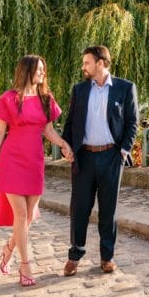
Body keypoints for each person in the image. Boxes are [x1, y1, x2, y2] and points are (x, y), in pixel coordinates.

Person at [0, 55, 72, 287]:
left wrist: (63, 144)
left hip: (35, 162)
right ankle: (25, 265)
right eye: (38, 69)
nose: (42, 73)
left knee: (30, 215)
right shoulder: (9, 98)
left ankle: (9, 248)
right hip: (12, 160)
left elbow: (49, 131)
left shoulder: (46, 99)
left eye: (44, 69)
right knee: (21, 215)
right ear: (27, 71)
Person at [60, 45, 138, 276]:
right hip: (83, 157)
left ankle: (107, 257)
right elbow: (71, 122)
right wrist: (66, 147)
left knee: (108, 210)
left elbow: (132, 122)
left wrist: (123, 151)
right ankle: (75, 255)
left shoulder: (125, 88)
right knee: (79, 208)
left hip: (111, 157)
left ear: (100, 63)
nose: (83, 67)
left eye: (87, 62)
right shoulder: (80, 90)